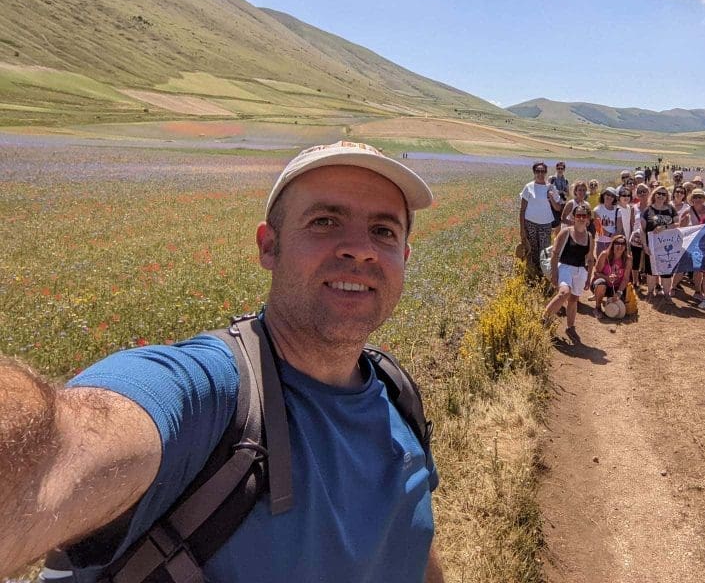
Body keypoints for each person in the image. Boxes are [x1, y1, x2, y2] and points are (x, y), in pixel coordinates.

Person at [0, 141, 445, 582]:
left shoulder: (394, 391)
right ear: (269, 247)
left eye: (384, 231)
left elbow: (408, 537)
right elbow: (60, 439)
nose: (360, 249)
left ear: (403, 257)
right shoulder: (211, 395)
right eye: (325, 221)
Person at [543, 204, 596, 333]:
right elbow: (555, 254)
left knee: (573, 300)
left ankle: (570, 327)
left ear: (588, 218)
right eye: (578, 215)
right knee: (564, 293)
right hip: (565, 267)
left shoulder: (589, 237)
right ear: (573, 217)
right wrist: (554, 274)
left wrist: (589, 279)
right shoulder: (565, 232)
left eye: (584, 215)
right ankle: (544, 319)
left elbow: (590, 260)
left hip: (580, 271)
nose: (581, 218)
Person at [520, 162, 561, 275]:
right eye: (537, 171)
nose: (540, 173)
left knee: (544, 251)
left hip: (545, 225)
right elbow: (522, 210)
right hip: (530, 224)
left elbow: (558, 208)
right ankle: (532, 273)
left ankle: (544, 274)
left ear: (546, 173)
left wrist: (551, 197)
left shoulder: (551, 187)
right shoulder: (528, 187)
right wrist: (522, 229)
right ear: (534, 172)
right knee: (532, 249)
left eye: (542, 171)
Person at [641, 186, 677, 299]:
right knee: (651, 270)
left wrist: (665, 227)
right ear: (654, 195)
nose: (661, 196)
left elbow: (678, 224)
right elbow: (642, 230)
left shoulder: (671, 209)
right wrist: (645, 246)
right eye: (659, 193)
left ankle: (667, 294)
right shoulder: (647, 210)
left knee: (667, 270)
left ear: (667, 196)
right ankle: (650, 293)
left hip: (668, 245)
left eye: (664, 194)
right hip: (652, 245)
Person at [591, 234, 631, 313]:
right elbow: (596, 273)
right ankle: (598, 308)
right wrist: (607, 277)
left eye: (623, 244)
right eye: (617, 243)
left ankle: (604, 298)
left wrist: (619, 292)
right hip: (602, 285)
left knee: (622, 309)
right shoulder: (604, 255)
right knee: (601, 283)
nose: (620, 246)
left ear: (625, 247)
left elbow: (626, 278)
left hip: (617, 287)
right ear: (612, 244)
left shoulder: (628, 258)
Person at [629, 183, 652, 289]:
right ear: (636, 194)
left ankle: (652, 283)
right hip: (636, 237)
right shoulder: (634, 208)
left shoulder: (653, 207)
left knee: (650, 260)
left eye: (644, 191)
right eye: (640, 192)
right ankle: (635, 282)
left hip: (650, 237)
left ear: (648, 192)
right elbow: (633, 223)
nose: (642, 193)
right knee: (635, 260)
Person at [593, 188, 622, 256]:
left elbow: (619, 229)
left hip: (614, 243)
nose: (609, 197)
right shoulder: (597, 210)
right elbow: (599, 228)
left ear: (614, 198)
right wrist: (610, 235)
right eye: (608, 194)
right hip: (601, 242)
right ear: (603, 195)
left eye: (612, 196)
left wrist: (613, 238)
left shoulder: (618, 210)